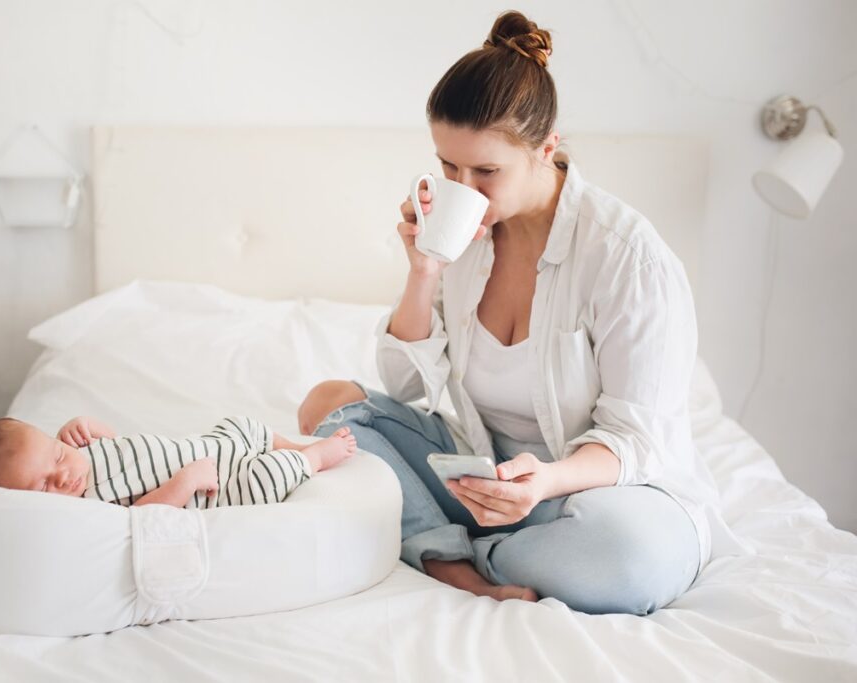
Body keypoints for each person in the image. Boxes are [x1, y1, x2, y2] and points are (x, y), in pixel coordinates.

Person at [296, 10, 724, 615]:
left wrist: (544, 482)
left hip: (596, 494)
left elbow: (637, 438)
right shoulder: (466, 236)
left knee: (631, 562)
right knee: (330, 407)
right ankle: (449, 559)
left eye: (486, 171)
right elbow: (407, 384)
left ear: (546, 149)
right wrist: (424, 271)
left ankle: (453, 544)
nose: (462, 188)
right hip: (482, 476)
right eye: (448, 167)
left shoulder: (628, 258)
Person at [0, 414, 356, 508]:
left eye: (56, 456)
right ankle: (313, 459)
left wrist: (85, 428)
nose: (62, 476)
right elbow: (141, 517)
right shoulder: (88, 506)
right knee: (266, 478)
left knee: (243, 423)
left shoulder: (77, 455)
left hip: (209, 448)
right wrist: (184, 483)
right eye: (42, 486)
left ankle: (292, 446)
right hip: (216, 487)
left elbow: (124, 449)